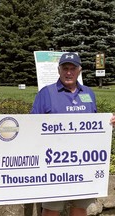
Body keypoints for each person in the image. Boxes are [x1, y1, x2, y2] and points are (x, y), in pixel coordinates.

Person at [31, 52, 115, 216]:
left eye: (72, 68)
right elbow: (32, 127)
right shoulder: (46, 93)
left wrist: (108, 123)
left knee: (80, 207)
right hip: (53, 164)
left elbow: (94, 125)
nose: (68, 72)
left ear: (79, 71)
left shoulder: (88, 93)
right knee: (51, 209)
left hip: (82, 162)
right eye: (65, 68)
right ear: (59, 70)